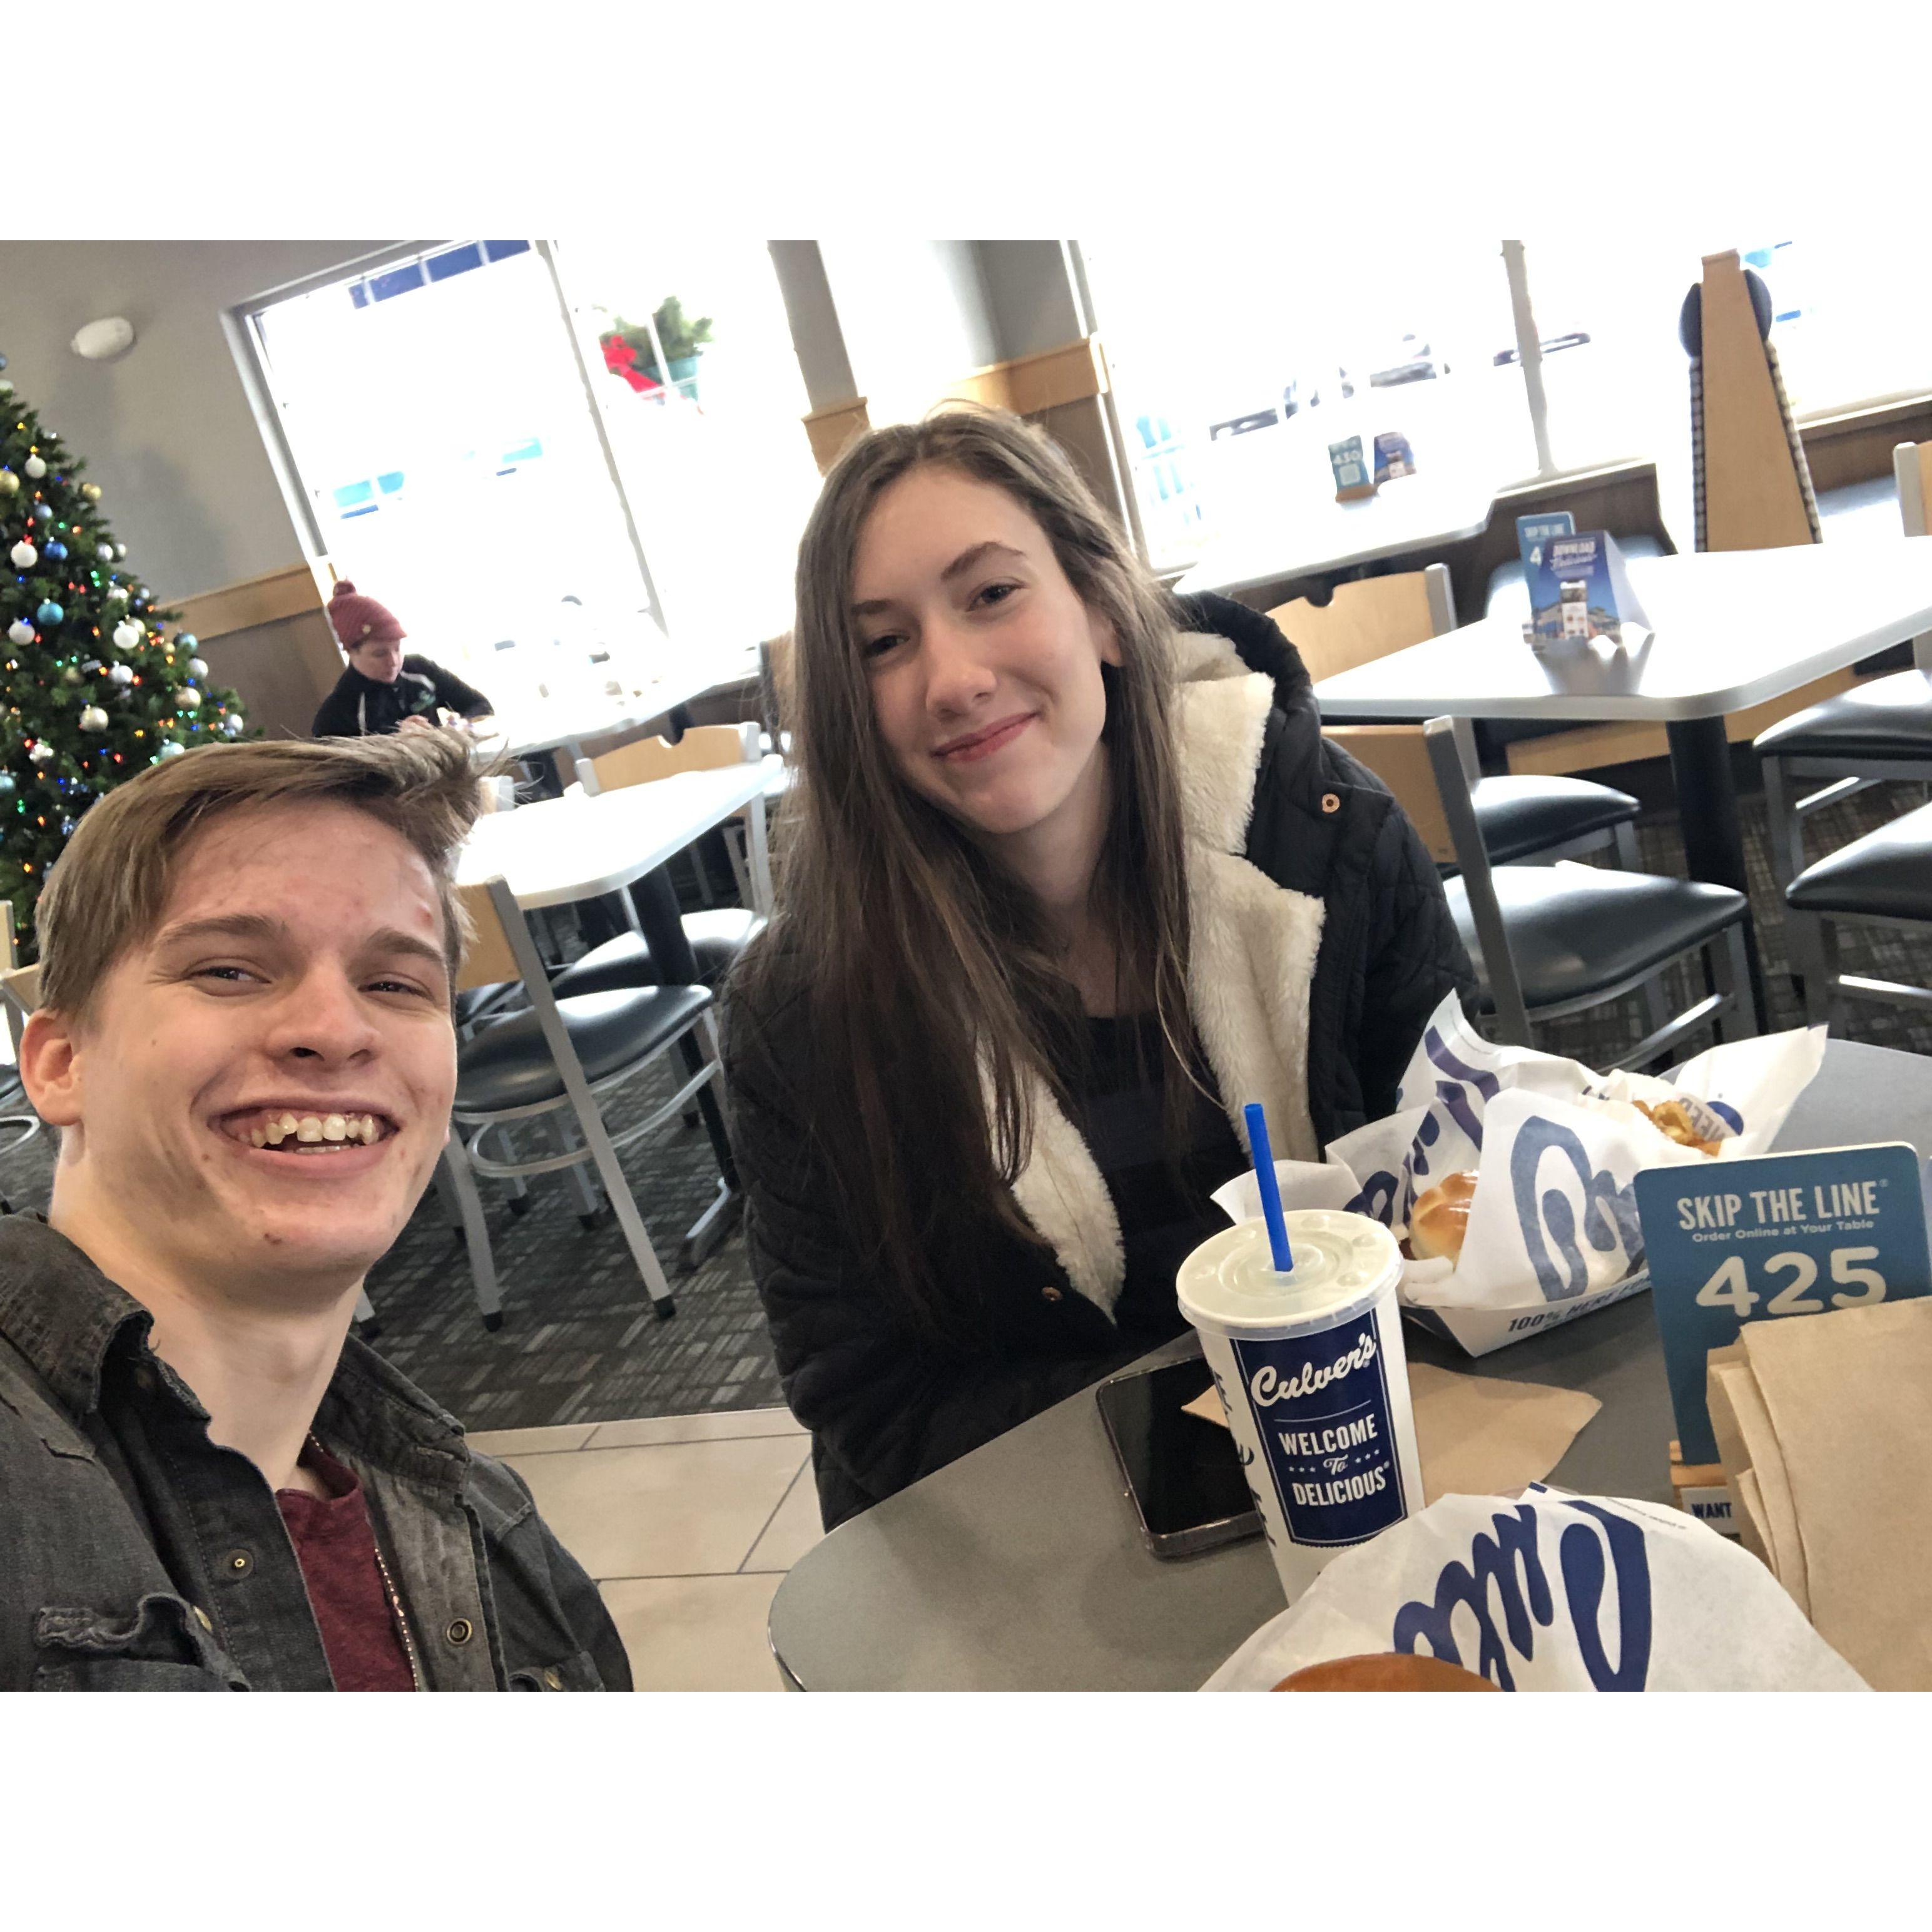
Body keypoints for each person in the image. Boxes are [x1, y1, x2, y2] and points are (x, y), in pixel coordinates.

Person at [723, 408, 1473, 1532]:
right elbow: (865, 1396)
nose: (952, 677)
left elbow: (1461, 1194)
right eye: (882, 642)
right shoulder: (799, 1012)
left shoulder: (1332, 847)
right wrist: (1207, 1443)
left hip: (1374, 1484)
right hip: (1040, 1549)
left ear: (1103, 610)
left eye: (990, 594)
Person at [0, 731, 630, 1689]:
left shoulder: (485, 1526)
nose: (336, 1032)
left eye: (393, 983)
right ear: (60, 1063)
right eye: (230, 970)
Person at [312, 580, 497, 740]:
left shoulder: (420, 669)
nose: (394, 662)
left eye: (398, 649)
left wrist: (462, 725)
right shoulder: (338, 712)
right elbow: (338, 773)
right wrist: (398, 742)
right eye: (380, 654)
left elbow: (480, 706)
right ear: (351, 652)